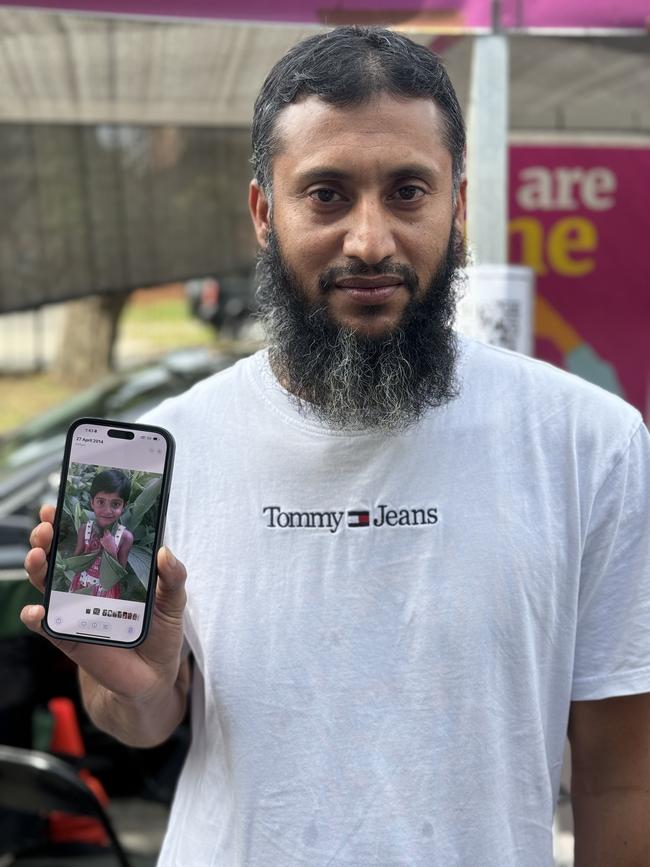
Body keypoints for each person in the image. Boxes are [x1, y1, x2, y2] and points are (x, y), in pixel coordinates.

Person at [22, 25, 650, 867]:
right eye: (325, 194)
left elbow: (622, 775)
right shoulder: (167, 447)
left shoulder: (588, 442)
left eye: (407, 192)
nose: (369, 241)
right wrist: (129, 683)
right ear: (262, 211)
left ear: (458, 208)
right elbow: (138, 718)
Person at [68, 469, 133, 598]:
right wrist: (90, 551)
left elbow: (119, 574)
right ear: (92, 502)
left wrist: (112, 550)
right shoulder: (84, 529)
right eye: (100, 502)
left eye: (115, 504)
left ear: (124, 506)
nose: (107, 511)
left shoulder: (125, 537)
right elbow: (75, 563)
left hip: (106, 590)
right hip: (82, 583)